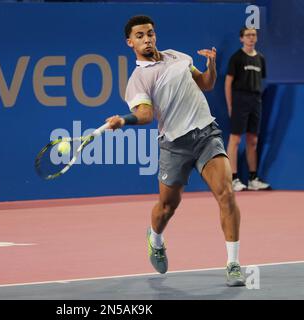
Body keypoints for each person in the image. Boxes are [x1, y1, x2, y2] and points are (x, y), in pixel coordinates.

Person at [105, 15, 245, 286]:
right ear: (130, 42)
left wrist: (212, 65)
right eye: (140, 36)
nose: (147, 39)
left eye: (150, 33)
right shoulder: (138, 80)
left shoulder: (178, 57)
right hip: (174, 145)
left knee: (226, 194)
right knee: (168, 206)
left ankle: (234, 263)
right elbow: (145, 115)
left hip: (207, 134)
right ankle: (155, 238)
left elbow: (206, 83)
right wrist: (124, 120)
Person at [225, 27, 271, 192]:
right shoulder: (236, 58)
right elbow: (228, 83)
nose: (251, 38)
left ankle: (253, 178)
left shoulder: (261, 59)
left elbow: (261, 81)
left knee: (253, 140)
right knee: (235, 140)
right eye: (248, 35)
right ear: (241, 39)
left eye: (254, 35)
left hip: (256, 101)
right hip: (240, 100)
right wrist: (230, 106)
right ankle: (233, 178)